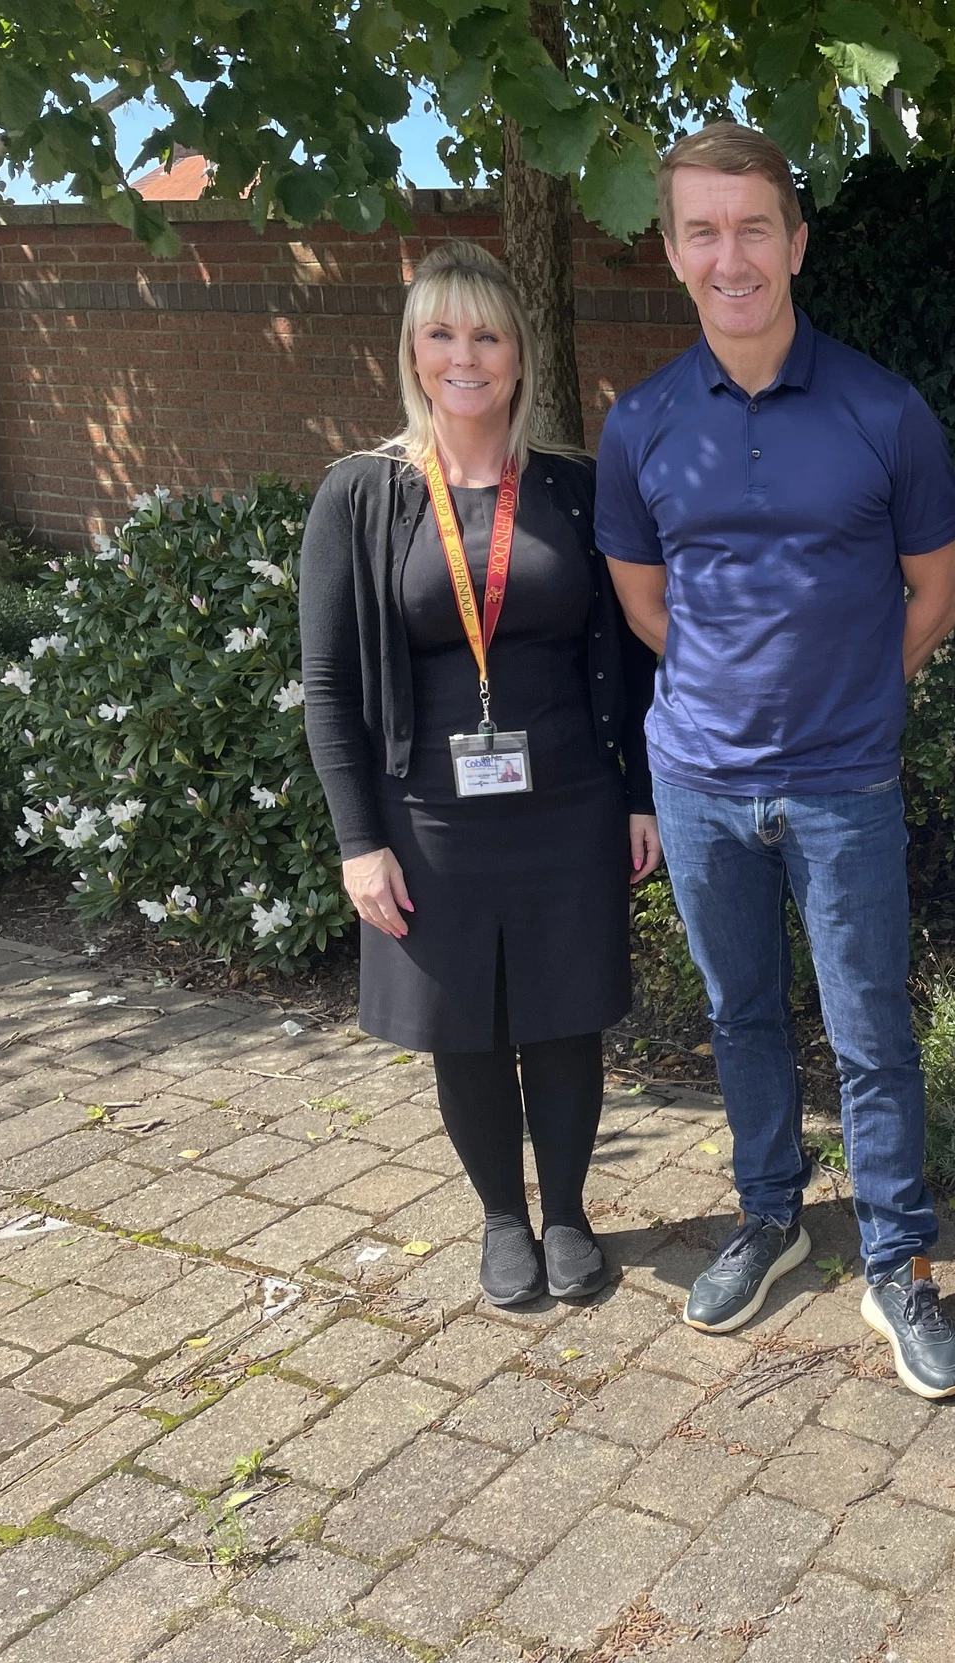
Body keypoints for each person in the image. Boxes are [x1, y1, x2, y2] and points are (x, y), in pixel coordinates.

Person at [595, 123, 955, 1400]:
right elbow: (646, 607)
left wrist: (860, 689)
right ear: (671, 250)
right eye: (702, 229)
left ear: (797, 242)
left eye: (754, 226)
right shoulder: (642, 422)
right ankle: (769, 1216)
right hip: (700, 780)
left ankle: (896, 1260)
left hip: (842, 781)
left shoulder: (882, 408)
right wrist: (721, 705)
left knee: (871, 1030)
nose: (730, 254)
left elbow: (940, 587)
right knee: (738, 1014)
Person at [300, 241, 660, 1307]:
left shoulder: (576, 489)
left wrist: (639, 792)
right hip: (429, 817)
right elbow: (327, 684)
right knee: (465, 1022)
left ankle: (568, 1213)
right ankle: (503, 1215)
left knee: (562, 1013)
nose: (467, 355)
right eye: (442, 332)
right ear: (414, 351)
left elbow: (633, 653)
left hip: (569, 805)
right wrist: (358, 839)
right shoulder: (359, 496)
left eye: (487, 333)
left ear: (519, 352)